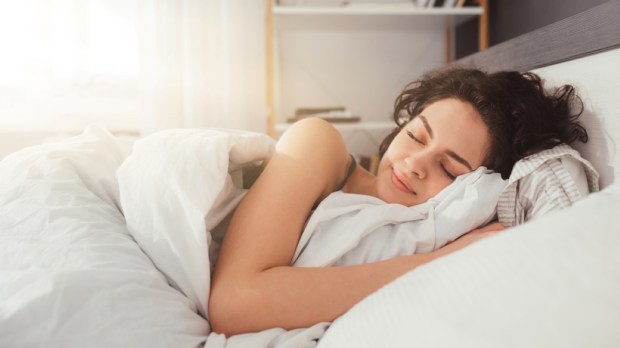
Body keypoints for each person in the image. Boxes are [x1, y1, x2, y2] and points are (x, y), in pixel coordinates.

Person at [208, 67, 587, 336]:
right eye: (417, 136)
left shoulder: (425, 232)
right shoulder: (319, 143)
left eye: (451, 169)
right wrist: (436, 264)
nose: (415, 163)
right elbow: (233, 302)